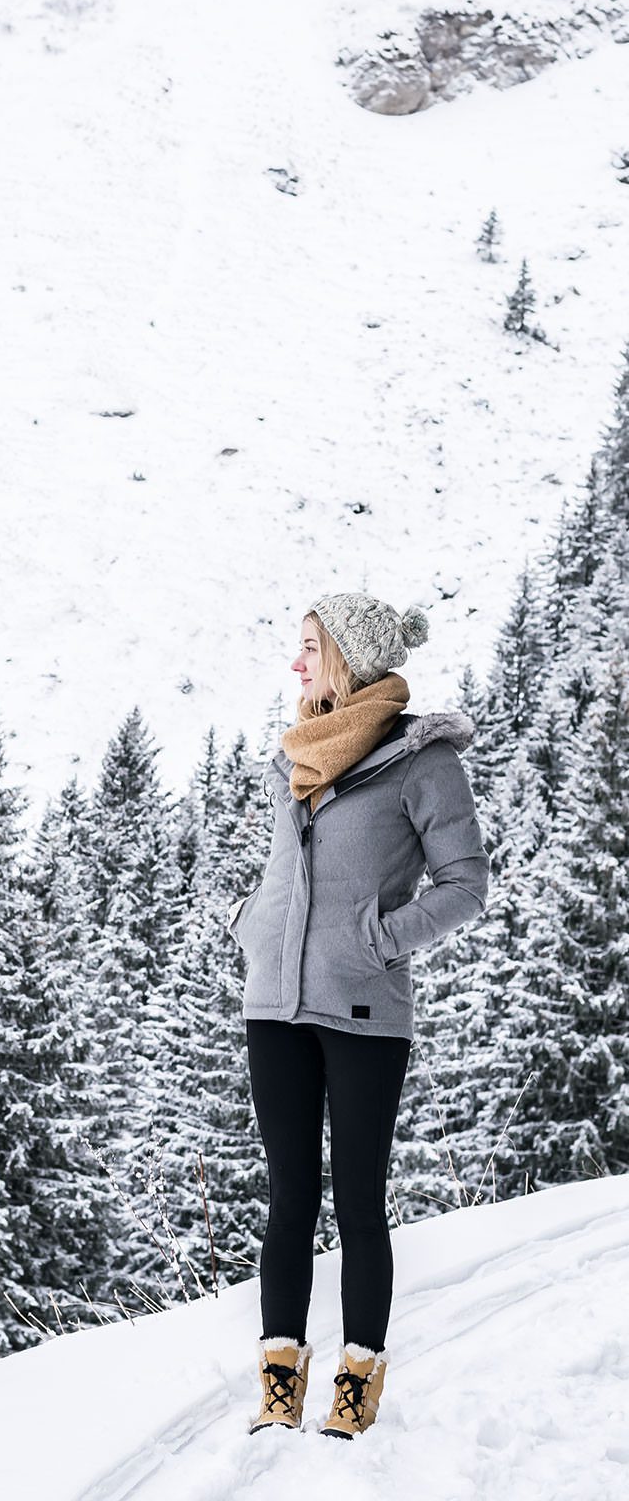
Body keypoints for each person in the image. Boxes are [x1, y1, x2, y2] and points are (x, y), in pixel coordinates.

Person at [226, 592, 490, 1439]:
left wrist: (380, 940)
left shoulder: (420, 762)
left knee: (358, 1200)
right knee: (289, 1195)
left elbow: (465, 884)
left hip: (366, 1006)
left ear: (347, 655)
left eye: (309, 646)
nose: (296, 663)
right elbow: (284, 874)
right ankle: (278, 1383)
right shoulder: (297, 754)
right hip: (276, 1001)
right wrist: (250, 926)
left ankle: (356, 1384)